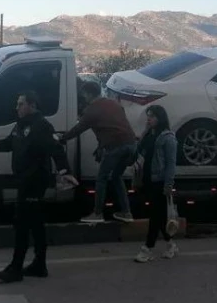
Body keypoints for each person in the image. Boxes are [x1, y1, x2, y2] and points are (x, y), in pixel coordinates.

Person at [0, 91, 76, 283]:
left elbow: (56, 149)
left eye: (20, 104)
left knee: (22, 223)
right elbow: (10, 143)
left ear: (32, 105)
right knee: (36, 223)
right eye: (17, 104)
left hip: (34, 181)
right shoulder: (20, 125)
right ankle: (40, 265)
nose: (17, 107)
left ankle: (15, 268)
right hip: (23, 179)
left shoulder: (41, 126)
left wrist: (65, 173)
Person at [59, 81, 137, 224]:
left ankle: (97, 213)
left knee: (102, 178)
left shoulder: (91, 111)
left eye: (84, 95)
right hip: (131, 145)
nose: (83, 98)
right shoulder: (113, 103)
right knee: (116, 176)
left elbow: (78, 129)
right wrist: (101, 146)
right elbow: (113, 126)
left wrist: (62, 138)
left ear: (88, 94)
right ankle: (127, 212)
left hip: (115, 147)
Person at [134, 105, 180, 263]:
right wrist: (145, 131)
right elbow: (138, 150)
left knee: (155, 215)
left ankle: (147, 248)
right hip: (148, 180)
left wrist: (168, 185)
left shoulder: (168, 138)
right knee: (159, 215)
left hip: (160, 182)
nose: (149, 118)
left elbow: (171, 164)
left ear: (160, 118)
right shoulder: (150, 135)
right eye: (148, 115)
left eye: (152, 116)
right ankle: (171, 245)